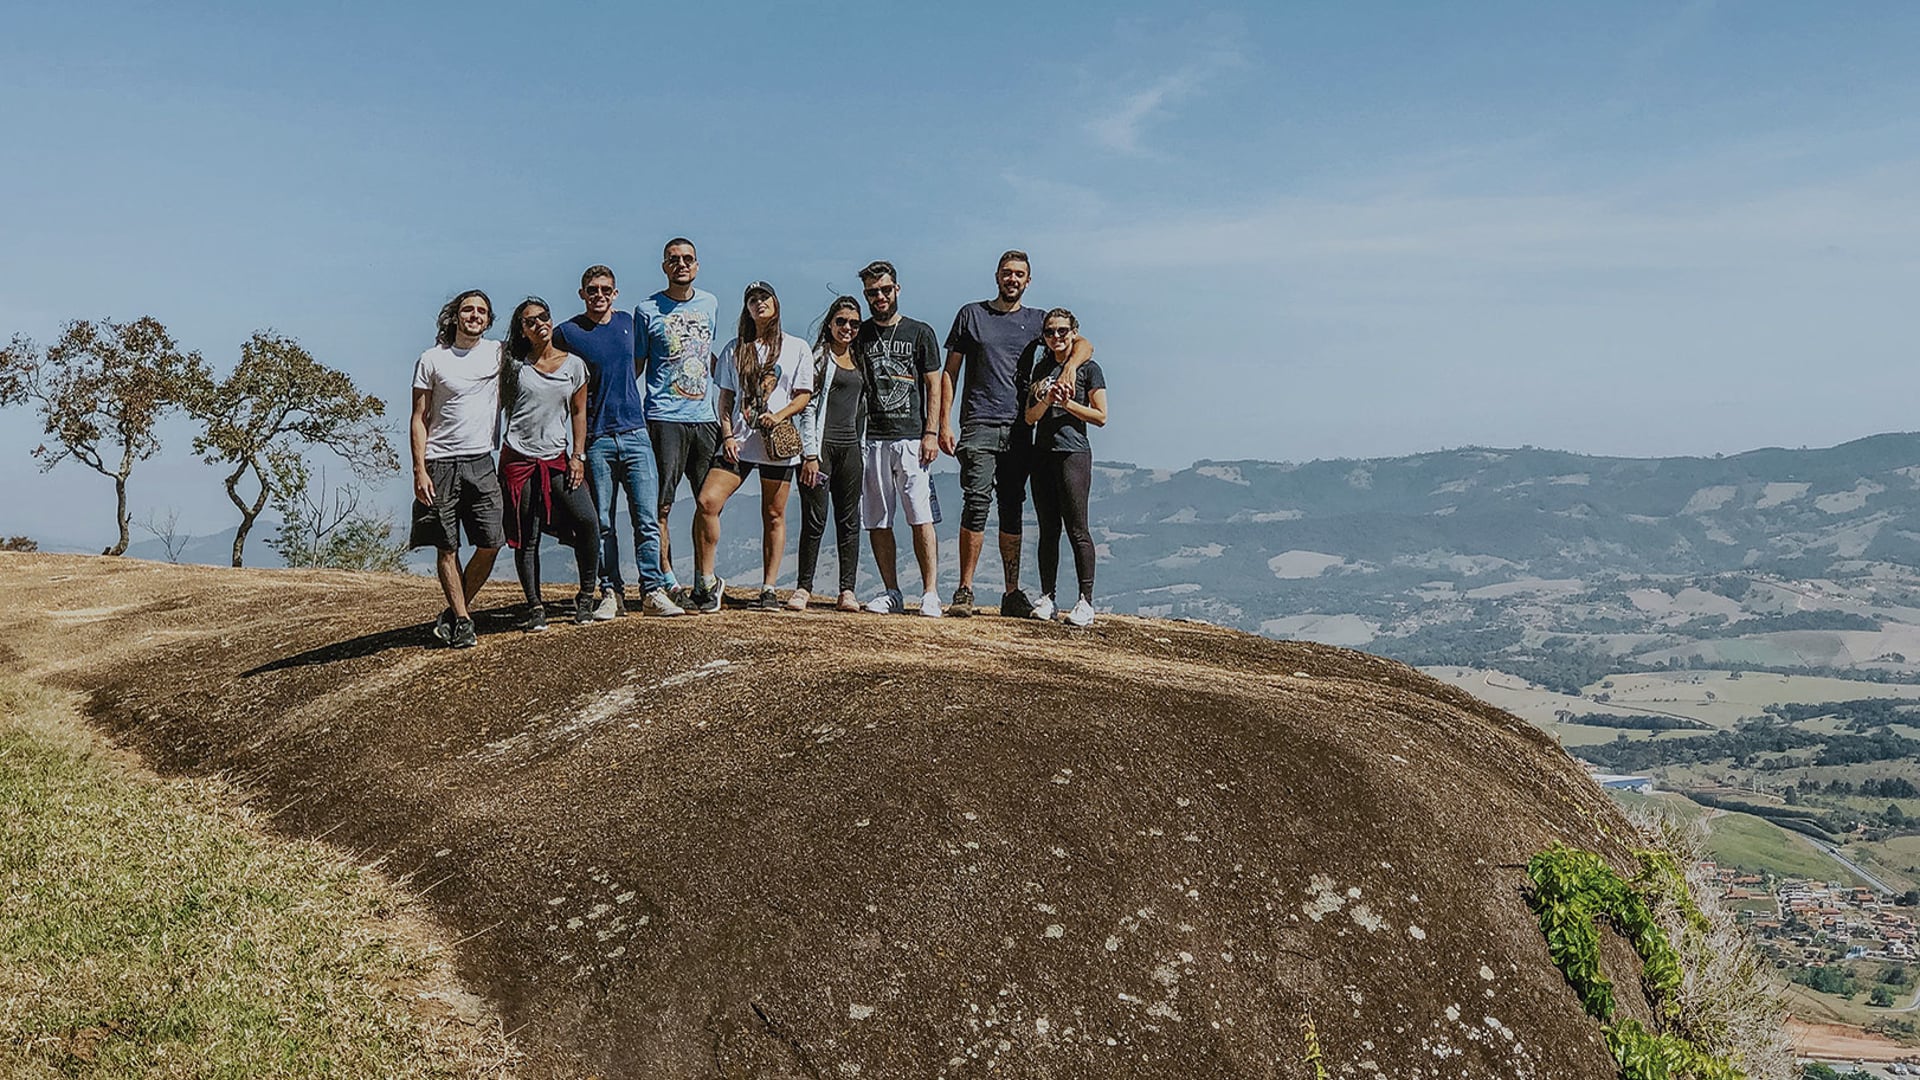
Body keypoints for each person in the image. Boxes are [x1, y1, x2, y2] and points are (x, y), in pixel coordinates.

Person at [939, 250, 1091, 618]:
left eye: (1019, 274)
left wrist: (1069, 368)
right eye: (1007, 273)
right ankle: (965, 590)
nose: (1012, 279)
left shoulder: (1038, 321)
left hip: (1022, 427)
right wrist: (942, 423)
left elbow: (1084, 343)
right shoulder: (971, 315)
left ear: (1028, 280)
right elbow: (950, 372)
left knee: (1012, 507)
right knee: (975, 503)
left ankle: (1011, 593)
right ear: (996, 276)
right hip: (978, 422)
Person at [556, 265, 684, 619]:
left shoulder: (629, 323)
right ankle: (610, 591)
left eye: (605, 290)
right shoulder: (568, 332)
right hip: (596, 438)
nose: (599, 295)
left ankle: (652, 591)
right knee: (603, 523)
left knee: (646, 517)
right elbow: (538, 355)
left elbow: (653, 358)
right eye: (592, 290)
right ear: (582, 293)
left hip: (635, 432)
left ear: (615, 293)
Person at [687, 281, 815, 613]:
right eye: (752, 299)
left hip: (777, 441)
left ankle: (769, 588)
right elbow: (726, 397)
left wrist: (779, 414)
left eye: (764, 298)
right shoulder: (735, 348)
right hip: (740, 442)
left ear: (776, 303)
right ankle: (707, 581)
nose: (758, 303)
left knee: (774, 514)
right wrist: (727, 435)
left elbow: (803, 394)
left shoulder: (795, 346)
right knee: (707, 501)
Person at [409, 289, 505, 649]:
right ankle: (463, 620)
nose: (475, 316)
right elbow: (418, 417)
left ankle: (452, 611)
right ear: (455, 316)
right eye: (468, 310)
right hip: (440, 461)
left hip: (481, 460)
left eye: (481, 311)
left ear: (488, 318)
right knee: (446, 546)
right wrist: (419, 469)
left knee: (492, 541)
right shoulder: (432, 359)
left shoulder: (498, 353)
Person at [497, 297, 599, 631]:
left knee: (587, 520)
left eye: (544, 317)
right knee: (528, 536)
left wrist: (578, 456)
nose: (540, 323)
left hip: (558, 459)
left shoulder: (574, 366)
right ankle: (535, 607)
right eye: (530, 321)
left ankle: (585, 597)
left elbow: (579, 412)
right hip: (519, 459)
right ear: (522, 330)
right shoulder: (513, 366)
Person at [854, 261, 945, 617]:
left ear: (897, 290)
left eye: (885, 290)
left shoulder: (920, 332)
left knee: (920, 515)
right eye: (872, 292)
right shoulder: (859, 334)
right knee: (877, 518)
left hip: (912, 437)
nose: (879, 297)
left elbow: (933, 383)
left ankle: (931, 592)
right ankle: (892, 591)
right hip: (872, 437)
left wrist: (932, 431)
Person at [637, 238, 722, 599]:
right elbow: (637, 366)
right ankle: (668, 578)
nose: (681, 264)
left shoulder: (711, 304)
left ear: (697, 265)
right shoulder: (647, 310)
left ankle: (706, 579)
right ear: (664, 266)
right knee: (662, 505)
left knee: (709, 503)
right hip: (663, 417)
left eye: (688, 259)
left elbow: (708, 357)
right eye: (674, 259)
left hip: (705, 418)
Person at [1018, 308, 1107, 627]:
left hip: (1073, 453)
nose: (1056, 337)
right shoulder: (1041, 369)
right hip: (1042, 452)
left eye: (1062, 332)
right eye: (1050, 332)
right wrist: (1048, 399)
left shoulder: (1089, 369)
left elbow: (1101, 416)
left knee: (1077, 528)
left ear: (1074, 333)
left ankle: (1085, 600)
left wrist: (1068, 404)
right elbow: (1030, 416)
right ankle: (1048, 596)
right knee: (1047, 529)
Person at [791, 296, 865, 612]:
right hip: (820, 449)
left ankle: (847, 590)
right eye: (841, 321)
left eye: (853, 323)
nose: (847, 328)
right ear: (830, 323)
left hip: (851, 449)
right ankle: (803, 588)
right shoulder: (818, 358)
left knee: (849, 521)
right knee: (814, 519)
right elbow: (807, 407)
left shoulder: (861, 360)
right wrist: (810, 454)